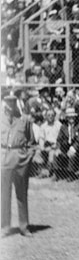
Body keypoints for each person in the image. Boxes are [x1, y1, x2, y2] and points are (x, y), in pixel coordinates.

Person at [1, 94, 35, 237]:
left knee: (21, 194)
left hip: (20, 160)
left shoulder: (24, 120)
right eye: (8, 102)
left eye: (13, 102)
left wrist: (28, 157)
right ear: (3, 103)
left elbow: (32, 142)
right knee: (4, 194)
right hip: (4, 159)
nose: (10, 105)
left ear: (16, 103)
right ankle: (5, 227)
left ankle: (24, 226)